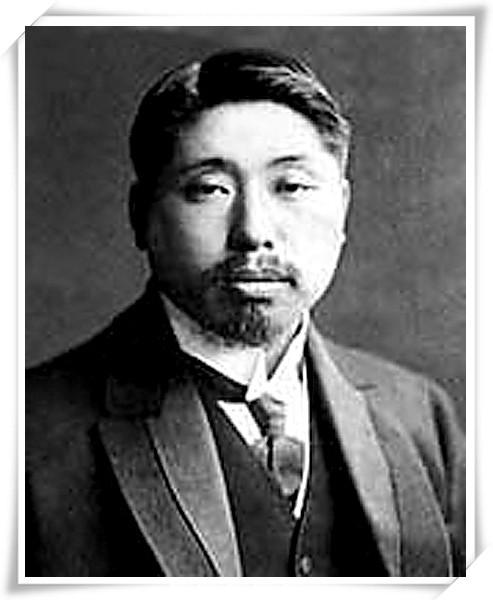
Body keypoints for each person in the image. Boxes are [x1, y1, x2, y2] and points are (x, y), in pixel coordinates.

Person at [25, 48, 465, 577]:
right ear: (141, 215)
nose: (253, 231)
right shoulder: (27, 436)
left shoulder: (420, 415)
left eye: (292, 187)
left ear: (342, 207)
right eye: (210, 189)